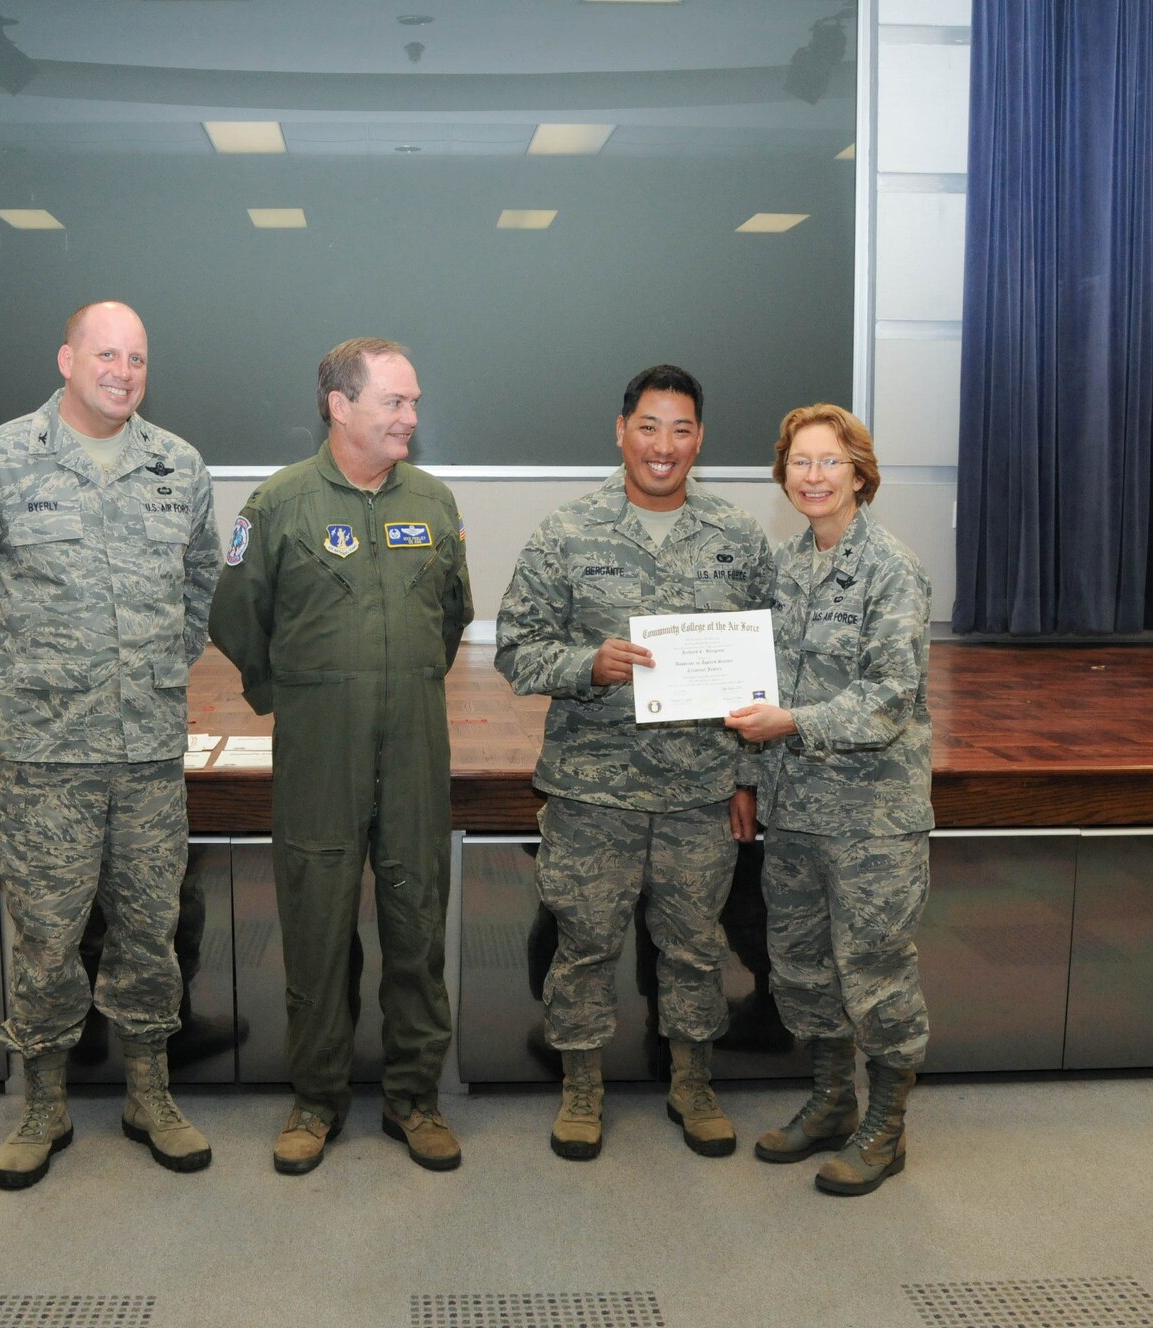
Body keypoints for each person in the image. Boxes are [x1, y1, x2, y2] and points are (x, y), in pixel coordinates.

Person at [0, 300, 220, 1188]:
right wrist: (28, 664)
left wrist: (157, 661)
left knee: (149, 930)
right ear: (65, 359)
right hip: (47, 755)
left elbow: (200, 583)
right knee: (47, 936)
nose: (121, 371)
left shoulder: (179, 465)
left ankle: (150, 1094)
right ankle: (43, 1103)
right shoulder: (3, 459)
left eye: (136, 356)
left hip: (149, 754)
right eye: (104, 354)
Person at [495, 365, 775, 1161]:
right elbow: (516, 651)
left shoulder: (739, 537)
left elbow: (768, 669)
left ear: (700, 440)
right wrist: (590, 664)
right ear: (621, 432)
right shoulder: (565, 532)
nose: (664, 446)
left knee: (693, 948)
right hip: (593, 791)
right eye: (649, 427)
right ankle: (581, 1088)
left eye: (681, 430)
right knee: (583, 945)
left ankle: (693, 1082)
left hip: (699, 791)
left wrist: (750, 775)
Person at [209, 338, 473, 1174]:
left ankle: (414, 1099)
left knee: (417, 924)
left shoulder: (433, 503)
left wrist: (398, 680)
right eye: (396, 402)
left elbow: (454, 615)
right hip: (319, 752)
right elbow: (236, 617)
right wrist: (301, 693)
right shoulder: (279, 505)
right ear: (340, 405)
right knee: (317, 927)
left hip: (417, 747)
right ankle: (316, 1099)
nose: (411, 417)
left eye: (414, 402)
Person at [726, 401, 933, 1197]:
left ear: (859, 474)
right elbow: (753, 685)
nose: (813, 477)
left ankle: (885, 1130)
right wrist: (748, 774)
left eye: (829, 462)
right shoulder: (782, 569)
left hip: (872, 820)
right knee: (804, 969)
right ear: (784, 476)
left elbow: (887, 699)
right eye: (799, 463)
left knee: (875, 971)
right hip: (795, 809)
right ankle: (830, 1102)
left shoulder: (891, 568)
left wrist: (790, 722)